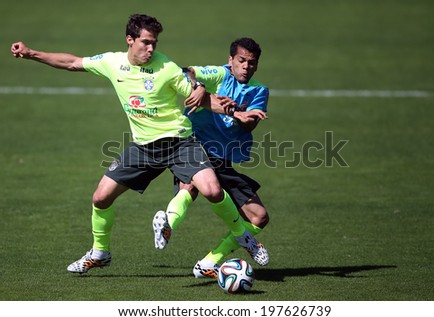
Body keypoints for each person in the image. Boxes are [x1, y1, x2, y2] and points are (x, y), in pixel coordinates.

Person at [10, 14, 268, 274]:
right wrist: (32, 53)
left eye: (154, 43)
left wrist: (234, 113)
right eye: (146, 42)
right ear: (130, 40)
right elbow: (72, 62)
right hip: (143, 148)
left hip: (180, 142)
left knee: (212, 190)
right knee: (100, 198)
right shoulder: (112, 63)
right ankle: (100, 252)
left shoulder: (165, 66)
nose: (151, 48)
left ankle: (242, 235)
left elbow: (200, 99)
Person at [154, 37, 270, 278]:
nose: (246, 66)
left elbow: (249, 125)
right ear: (231, 60)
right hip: (194, 145)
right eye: (241, 61)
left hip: (222, 160)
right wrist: (199, 86)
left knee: (259, 217)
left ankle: (210, 261)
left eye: (252, 62)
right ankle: (166, 227)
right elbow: (187, 71)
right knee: (191, 186)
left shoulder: (259, 90)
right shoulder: (219, 75)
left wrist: (238, 112)